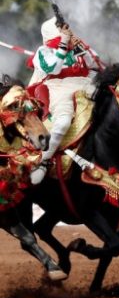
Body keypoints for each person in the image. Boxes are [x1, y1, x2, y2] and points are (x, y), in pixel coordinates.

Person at [28, 18, 101, 184]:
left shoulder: (76, 44)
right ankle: (44, 161)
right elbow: (53, 68)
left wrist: (81, 48)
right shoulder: (43, 51)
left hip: (87, 85)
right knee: (63, 122)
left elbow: (96, 64)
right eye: (61, 30)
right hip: (60, 88)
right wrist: (63, 44)